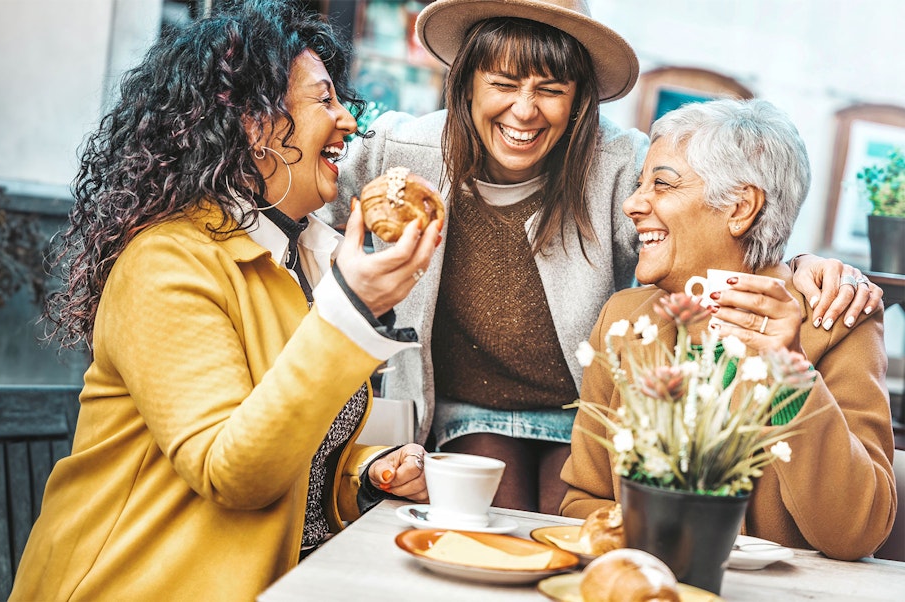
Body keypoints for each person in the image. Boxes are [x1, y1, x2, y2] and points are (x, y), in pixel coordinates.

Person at [319, 0, 883, 514]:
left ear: (580, 97)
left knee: (569, 521)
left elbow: (709, 225)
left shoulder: (620, 165)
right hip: (464, 405)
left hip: (584, 406)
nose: (524, 110)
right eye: (504, 82)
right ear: (465, 82)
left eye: (552, 88)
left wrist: (801, 264)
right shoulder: (399, 151)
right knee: (492, 516)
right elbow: (301, 196)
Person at [10, 2, 439, 600]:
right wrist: (351, 313)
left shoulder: (304, 258)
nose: (348, 120)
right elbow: (231, 472)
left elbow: (289, 448)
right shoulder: (166, 262)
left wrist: (362, 474)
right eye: (323, 100)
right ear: (253, 124)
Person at [559, 98, 896, 560]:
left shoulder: (835, 319)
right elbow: (582, 501)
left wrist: (790, 372)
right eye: (640, 184)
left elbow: (857, 531)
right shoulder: (624, 320)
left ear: (741, 207)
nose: (632, 205)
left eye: (661, 184)